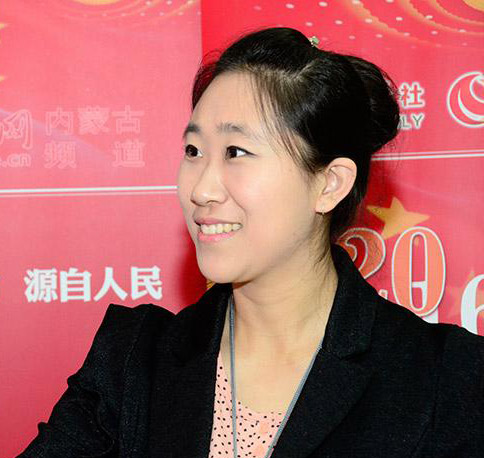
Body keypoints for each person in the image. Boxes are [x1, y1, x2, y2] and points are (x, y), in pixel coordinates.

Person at [19, 27, 483, 458]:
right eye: (194, 151)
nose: (202, 189)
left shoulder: (445, 378)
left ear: (329, 184)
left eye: (236, 152)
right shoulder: (134, 360)